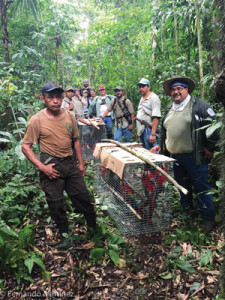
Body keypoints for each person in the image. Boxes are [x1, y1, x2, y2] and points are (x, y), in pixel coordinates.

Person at [22, 82, 97, 250]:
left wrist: (81, 163)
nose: (55, 101)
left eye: (58, 97)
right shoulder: (37, 120)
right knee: (55, 202)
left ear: (62, 98)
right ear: (43, 99)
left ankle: (94, 230)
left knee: (83, 197)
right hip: (51, 165)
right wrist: (42, 167)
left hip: (70, 163)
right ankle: (65, 237)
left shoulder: (69, 116)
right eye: (50, 97)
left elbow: (76, 139)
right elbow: (25, 146)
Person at [151, 76, 219, 232]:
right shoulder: (170, 109)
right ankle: (187, 212)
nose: (176, 92)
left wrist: (210, 147)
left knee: (201, 187)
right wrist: (161, 147)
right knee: (182, 186)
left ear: (186, 89)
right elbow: (165, 131)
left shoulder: (199, 106)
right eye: (173, 89)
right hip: (175, 157)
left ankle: (208, 218)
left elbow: (213, 125)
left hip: (194, 156)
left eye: (179, 88)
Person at [136, 78, 161, 150]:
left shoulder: (154, 98)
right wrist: (138, 132)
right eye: (139, 86)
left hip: (148, 130)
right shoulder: (142, 98)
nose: (141, 88)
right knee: (145, 153)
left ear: (149, 87)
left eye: (143, 86)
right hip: (142, 130)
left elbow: (156, 117)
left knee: (152, 152)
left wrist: (153, 134)